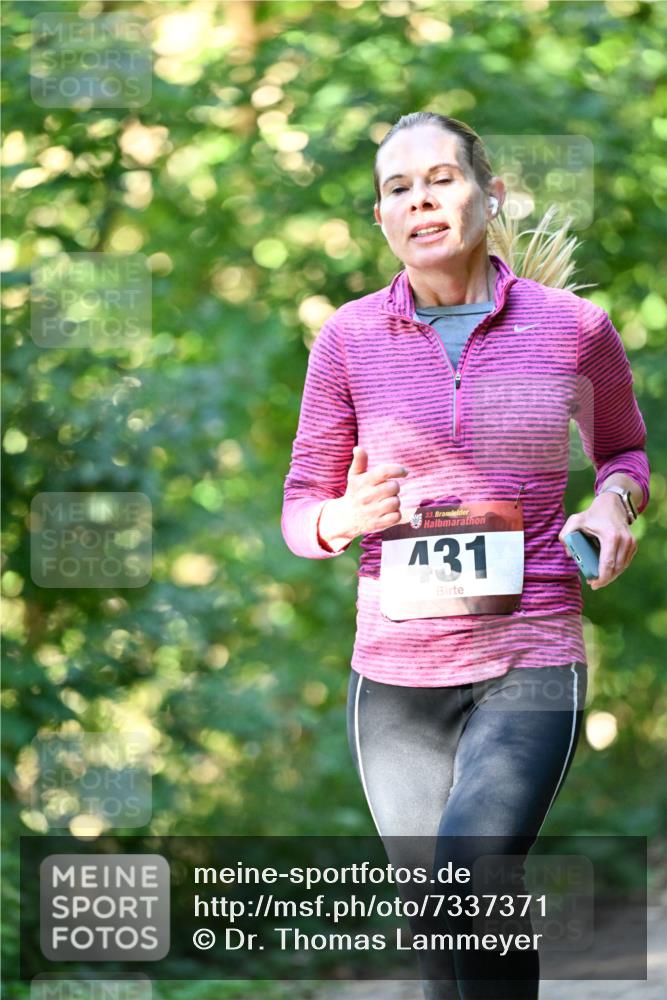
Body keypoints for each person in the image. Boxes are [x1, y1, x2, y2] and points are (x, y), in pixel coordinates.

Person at [281, 112, 650, 999]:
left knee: (472, 869)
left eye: (441, 179)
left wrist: (612, 504)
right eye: (397, 189)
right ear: (380, 220)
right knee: (448, 922)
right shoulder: (348, 339)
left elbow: (626, 457)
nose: (421, 201)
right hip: (396, 676)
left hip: (528, 656)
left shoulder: (573, 329)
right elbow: (299, 509)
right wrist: (341, 517)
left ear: (490, 195)